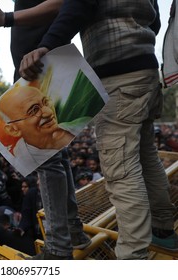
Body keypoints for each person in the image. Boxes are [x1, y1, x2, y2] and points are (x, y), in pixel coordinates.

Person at [19, 0, 178, 259]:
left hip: (118, 77)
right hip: (144, 69)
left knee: (121, 170)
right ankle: (162, 229)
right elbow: (155, 23)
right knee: (146, 156)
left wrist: (46, 45)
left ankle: (132, 258)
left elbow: (78, 5)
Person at [0, 0, 91, 260]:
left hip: (41, 65)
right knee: (57, 156)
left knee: (45, 158)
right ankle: (72, 230)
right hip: (36, 68)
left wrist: (7, 17)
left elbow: (62, 3)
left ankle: (58, 248)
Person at [0, 85, 75, 165]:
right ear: (13, 130)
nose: (49, 112)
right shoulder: (24, 160)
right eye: (34, 110)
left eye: (46, 102)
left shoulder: (75, 126)